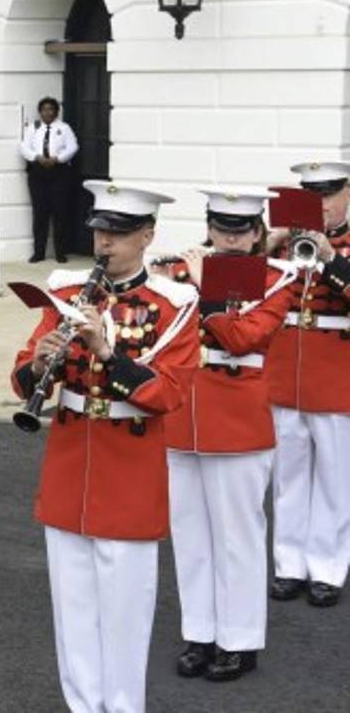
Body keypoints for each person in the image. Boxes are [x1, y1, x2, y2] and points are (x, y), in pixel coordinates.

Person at [10, 180, 200, 713]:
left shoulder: (175, 304)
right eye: (99, 231)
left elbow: (169, 392)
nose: (104, 244)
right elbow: (21, 374)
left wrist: (107, 352)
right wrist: (38, 361)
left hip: (129, 468)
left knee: (124, 612)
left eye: (118, 234)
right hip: (71, 462)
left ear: (148, 235)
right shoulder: (68, 294)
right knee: (72, 607)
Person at [156, 189, 293, 682]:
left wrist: (203, 291)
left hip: (237, 423)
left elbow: (243, 338)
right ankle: (200, 632)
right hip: (183, 417)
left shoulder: (278, 279)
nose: (230, 238)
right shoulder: (174, 274)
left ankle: (239, 640)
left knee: (238, 537)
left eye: (241, 230)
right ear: (209, 228)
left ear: (257, 233)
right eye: (222, 228)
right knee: (191, 537)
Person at [266, 160, 350, 609]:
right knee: (290, 476)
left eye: (328, 196)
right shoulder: (285, 243)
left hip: (337, 375)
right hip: (287, 372)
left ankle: (328, 567)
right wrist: (267, 248)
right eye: (311, 197)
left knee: (335, 478)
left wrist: (332, 259)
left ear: (347, 195)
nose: (320, 206)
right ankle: (289, 563)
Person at [20, 97, 78, 264]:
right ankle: (39, 252)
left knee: (60, 213)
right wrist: (36, 157)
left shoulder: (64, 128)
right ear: (40, 112)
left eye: (51, 109)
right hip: (38, 172)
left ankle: (60, 252)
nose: (47, 112)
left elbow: (73, 146)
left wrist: (58, 158)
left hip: (59, 172)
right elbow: (24, 147)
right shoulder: (33, 128)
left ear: (56, 112)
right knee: (40, 214)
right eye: (44, 109)